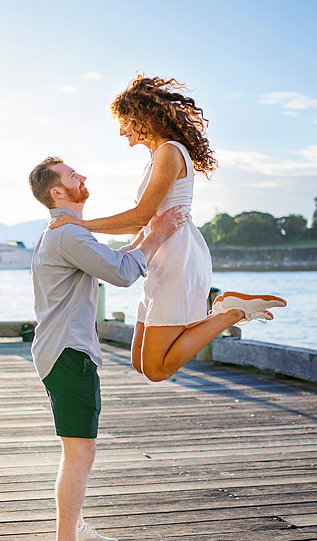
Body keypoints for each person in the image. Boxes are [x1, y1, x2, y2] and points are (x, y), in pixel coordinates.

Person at [50, 76, 286, 382]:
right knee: (139, 361)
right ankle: (225, 307)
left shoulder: (170, 152)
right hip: (160, 259)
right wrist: (118, 252)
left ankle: (233, 312)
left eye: (125, 122)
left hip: (178, 258)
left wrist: (81, 224)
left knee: (157, 369)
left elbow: (143, 213)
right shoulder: (157, 156)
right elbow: (143, 222)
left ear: (143, 117)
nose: (122, 131)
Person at [29, 156, 189, 541]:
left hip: (65, 351)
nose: (83, 177)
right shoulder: (67, 235)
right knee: (79, 451)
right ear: (57, 192)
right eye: (72, 175)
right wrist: (153, 235)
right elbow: (122, 272)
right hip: (67, 353)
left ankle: (75, 526)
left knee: (81, 449)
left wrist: (144, 236)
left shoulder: (68, 234)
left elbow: (110, 258)